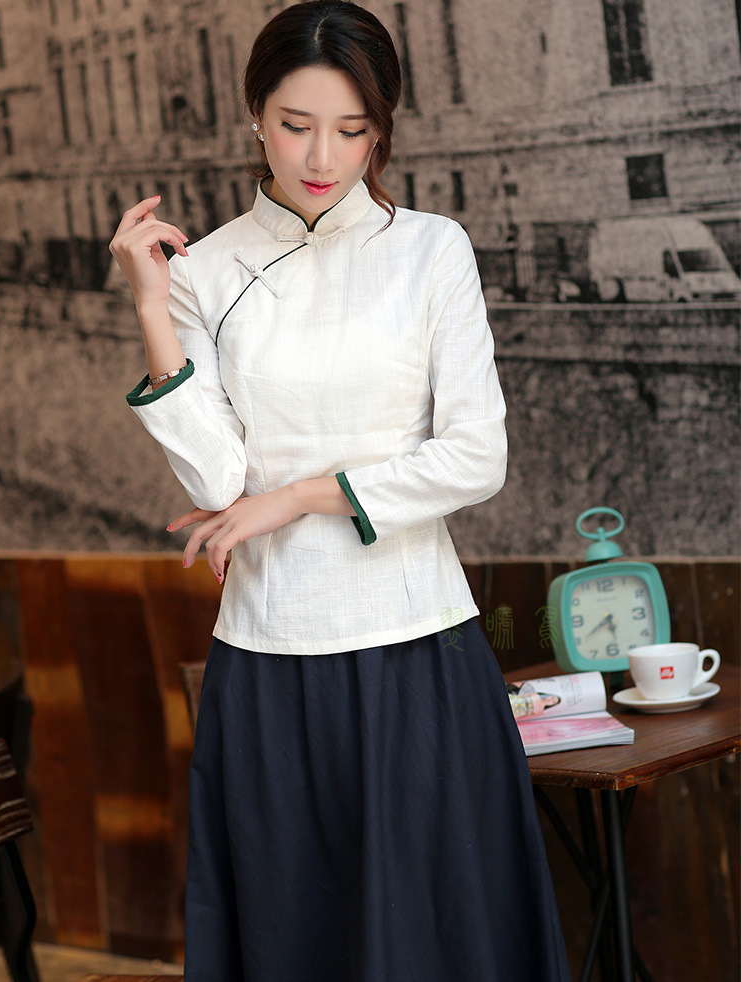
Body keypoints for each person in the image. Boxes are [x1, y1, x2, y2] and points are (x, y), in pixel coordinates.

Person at [109, 3, 570, 979]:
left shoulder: (431, 249)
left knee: (440, 944)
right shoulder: (205, 269)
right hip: (267, 656)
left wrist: (296, 497)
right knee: (295, 944)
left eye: (352, 129)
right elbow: (216, 479)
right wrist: (152, 308)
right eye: (295, 124)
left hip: (419, 648)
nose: (322, 156)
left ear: (380, 129)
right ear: (255, 115)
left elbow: (474, 457)